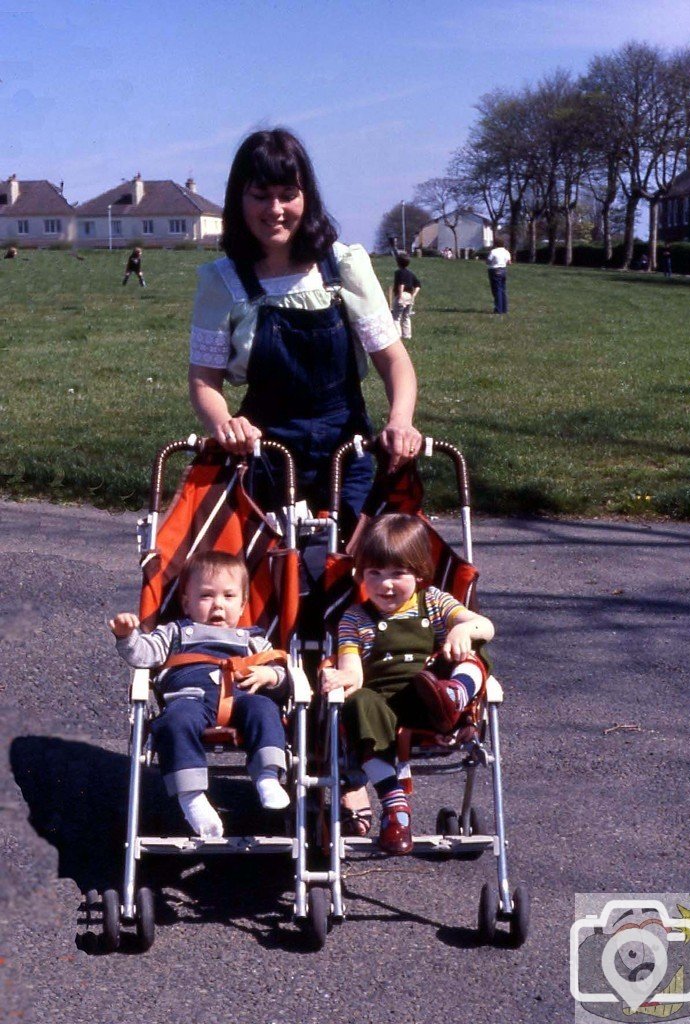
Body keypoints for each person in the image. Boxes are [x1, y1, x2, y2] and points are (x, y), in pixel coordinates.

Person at [187, 128, 421, 532]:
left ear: (306, 196)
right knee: (266, 577)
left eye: (287, 195)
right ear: (238, 200)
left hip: (347, 452)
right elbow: (203, 380)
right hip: (265, 454)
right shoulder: (221, 282)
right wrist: (225, 423)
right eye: (260, 196)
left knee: (357, 571)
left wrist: (400, 421)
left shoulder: (343, 266)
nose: (275, 209)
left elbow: (393, 360)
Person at [320, 514, 494, 855]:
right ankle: (394, 803)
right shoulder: (355, 618)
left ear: (418, 572)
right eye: (375, 574)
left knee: (475, 653)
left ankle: (456, 694)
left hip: (431, 693)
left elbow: (484, 626)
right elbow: (353, 670)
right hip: (385, 705)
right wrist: (343, 676)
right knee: (358, 703)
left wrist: (462, 629)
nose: (386, 585)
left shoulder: (434, 602)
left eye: (397, 574)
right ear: (361, 575)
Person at [110, 550, 289, 839]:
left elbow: (283, 672)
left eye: (229, 597)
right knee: (173, 722)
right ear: (187, 603)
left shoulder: (253, 639)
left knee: (265, 709)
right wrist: (126, 636)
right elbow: (142, 655)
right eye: (206, 596)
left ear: (243, 604)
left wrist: (270, 675)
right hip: (188, 699)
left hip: (242, 696)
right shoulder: (175, 633)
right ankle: (192, 798)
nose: (218, 605)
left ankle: (267, 776)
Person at [391, 253, 421, 342]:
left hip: (402, 295)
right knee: (406, 316)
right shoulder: (410, 273)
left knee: (396, 317)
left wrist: (400, 296)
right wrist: (413, 295)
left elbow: (401, 284)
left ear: (398, 263)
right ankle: (407, 335)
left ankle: (397, 336)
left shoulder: (398, 272)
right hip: (409, 296)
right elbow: (418, 285)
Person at [486, 236, 511, 314]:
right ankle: (504, 309)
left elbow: (488, 261)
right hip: (503, 270)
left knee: (497, 290)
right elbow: (509, 262)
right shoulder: (506, 252)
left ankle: (498, 309)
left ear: (495, 244)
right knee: (503, 290)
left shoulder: (493, 251)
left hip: (495, 270)